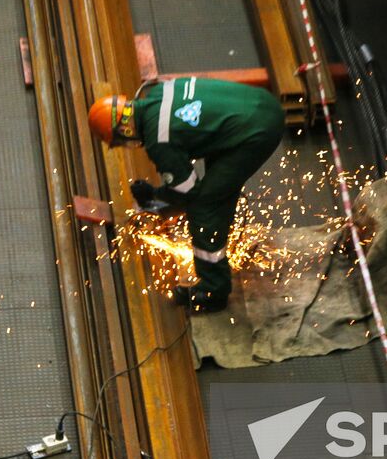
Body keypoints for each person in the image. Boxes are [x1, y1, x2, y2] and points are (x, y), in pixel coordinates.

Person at [88, 77, 284, 312]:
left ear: (125, 130)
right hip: (259, 103)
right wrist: (158, 198)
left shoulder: (159, 140)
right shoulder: (158, 92)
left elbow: (188, 192)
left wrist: (154, 196)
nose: (127, 145)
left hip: (256, 133)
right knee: (216, 190)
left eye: (122, 142)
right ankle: (221, 238)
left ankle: (214, 291)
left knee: (204, 208)